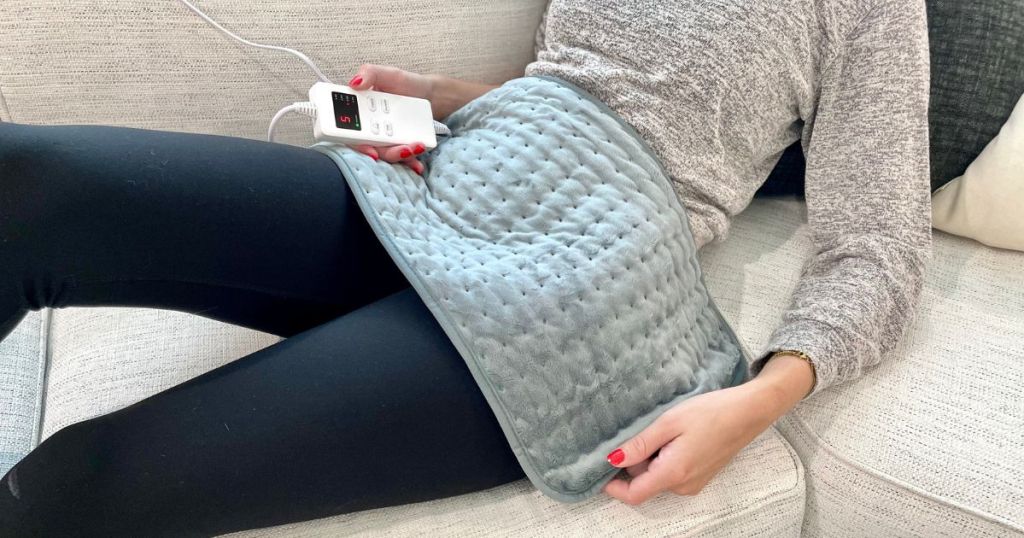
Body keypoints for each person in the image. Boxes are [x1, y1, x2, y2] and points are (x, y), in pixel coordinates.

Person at [0, 0, 932, 534]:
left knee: (74, 489)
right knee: (28, 180)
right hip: (465, 166)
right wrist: (445, 97)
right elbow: (588, 82)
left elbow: (880, 245)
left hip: (588, 269)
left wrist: (756, 402)